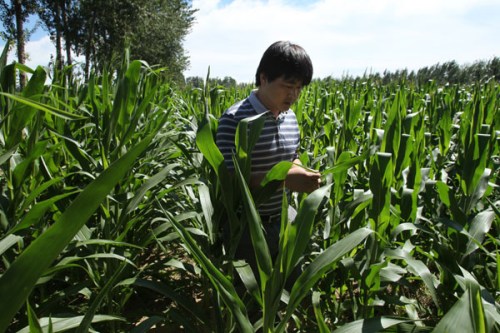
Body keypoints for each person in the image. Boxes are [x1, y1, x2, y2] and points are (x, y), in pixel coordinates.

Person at [216, 41, 321, 283]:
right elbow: (231, 181)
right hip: (247, 229)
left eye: (299, 88)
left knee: (291, 286)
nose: (293, 95)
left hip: (285, 218)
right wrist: (284, 180)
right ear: (264, 78)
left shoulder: (290, 117)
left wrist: (302, 171)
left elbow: (291, 156)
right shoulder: (235, 120)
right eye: (287, 86)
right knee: (251, 298)